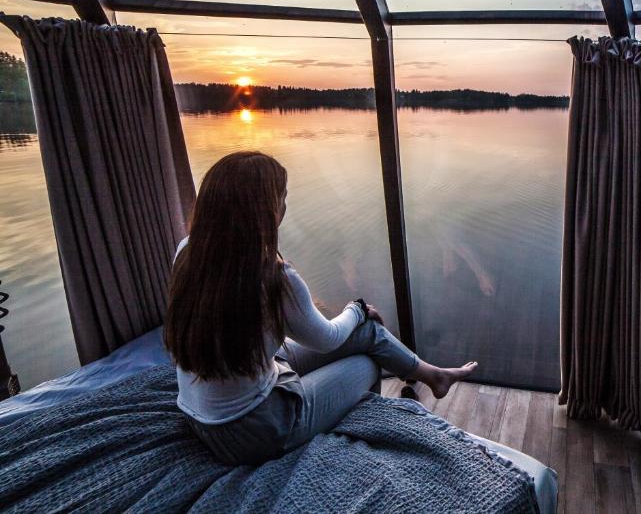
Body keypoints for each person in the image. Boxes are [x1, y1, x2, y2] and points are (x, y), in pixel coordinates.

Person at [163, 151, 477, 465]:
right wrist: (356, 308)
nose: (285, 206)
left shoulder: (188, 252)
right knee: (367, 363)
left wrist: (358, 317)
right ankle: (372, 451)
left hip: (198, 417)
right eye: (281, 198)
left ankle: (432, 375)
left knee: (365, 330)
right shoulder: (275, 277)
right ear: (265, 212)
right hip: (254, 430)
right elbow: (327, 339)